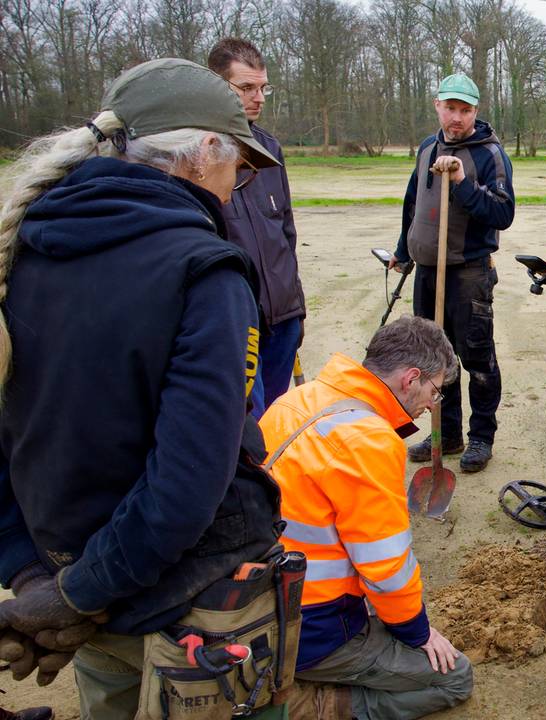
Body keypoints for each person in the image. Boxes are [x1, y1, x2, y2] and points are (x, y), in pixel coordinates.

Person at [0, 58, 285, 718]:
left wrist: (39, 578)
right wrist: (74, 594)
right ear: (204, 151)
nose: (238, 186)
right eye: (239, 168)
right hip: (186, 603)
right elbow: (187, 486)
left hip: (74, 586)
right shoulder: (205, 273)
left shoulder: (26, 252)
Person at [260, 316, 473, 718]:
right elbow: (385, 569)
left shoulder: (298, 400)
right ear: (411, 378)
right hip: (310, 625)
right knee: (455, 677)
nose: (432, 405)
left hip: (255, 599)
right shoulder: (368, 440)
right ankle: (313, 705)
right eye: (435, 391)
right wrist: (417, 633)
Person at [391, 72, 514, 474]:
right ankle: (447, 432)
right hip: (428, 270)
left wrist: (461, 181)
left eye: (465, 110)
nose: (456, 118)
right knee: (434, 358)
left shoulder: (488, 154)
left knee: (476, 358)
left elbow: (502, 212)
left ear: (475, 111)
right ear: (437, 106)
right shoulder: (427, 148)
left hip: (468, 273)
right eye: (450, 108)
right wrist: (403, 252)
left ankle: (481, 437)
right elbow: (413, 202)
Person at [208, 38, 307, 419]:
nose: (259, 97)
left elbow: (285, 232)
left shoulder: (269, 149)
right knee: (248, 428)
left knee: (276, 420)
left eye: (263, 87)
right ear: (218, 87)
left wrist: (295, 307)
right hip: (237, 323)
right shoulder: (200, 153)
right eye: (246, 88)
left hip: (281, 318)